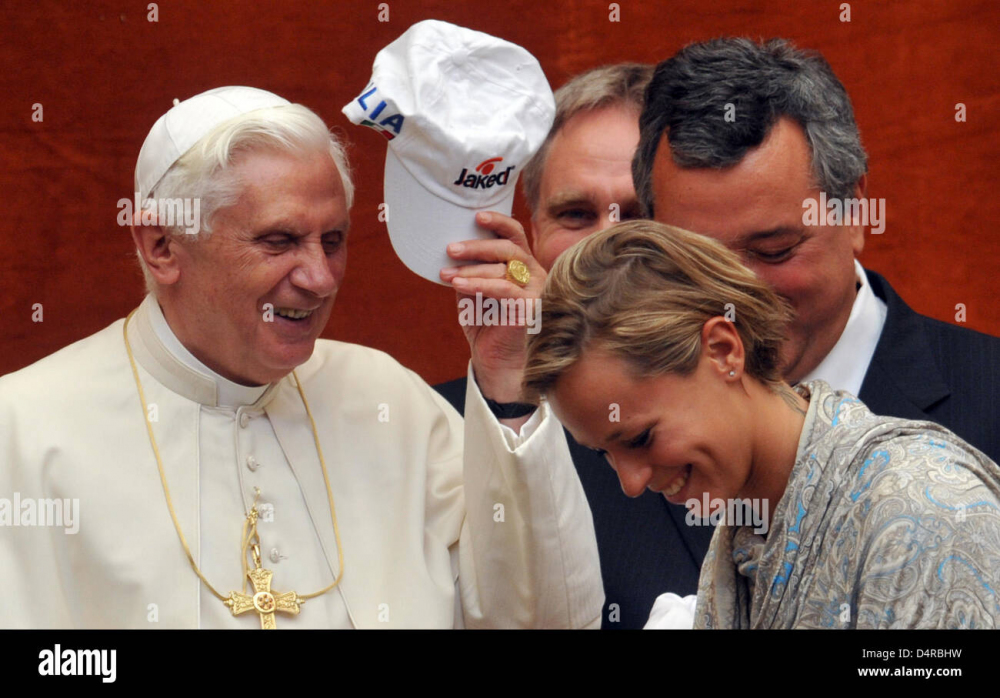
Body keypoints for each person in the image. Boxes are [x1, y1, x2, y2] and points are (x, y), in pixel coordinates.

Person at [0, 86, 603, 629]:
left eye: (333, 241)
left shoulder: (389, 401)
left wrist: (508, 378)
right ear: (161, 246)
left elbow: (550, 619)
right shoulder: (24, 431)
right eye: (279, 241)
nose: (319, 278)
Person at [523, 219, 1000, 629]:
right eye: (604, 454)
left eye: (640, 438)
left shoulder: (922, 510)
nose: (630, 482)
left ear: (724, 351)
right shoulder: (744, 535)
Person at [435, 63, 714, 629]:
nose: (607, 242)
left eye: (637, 214)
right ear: (531, 229)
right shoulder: (437, 427)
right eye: (575, 214)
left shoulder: (763, 407)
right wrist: (512, 383)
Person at [632, 37, 1000, 463]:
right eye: (696, 263)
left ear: (854, 211)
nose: (734, 298)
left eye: (774, 251)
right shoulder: (607, 430)